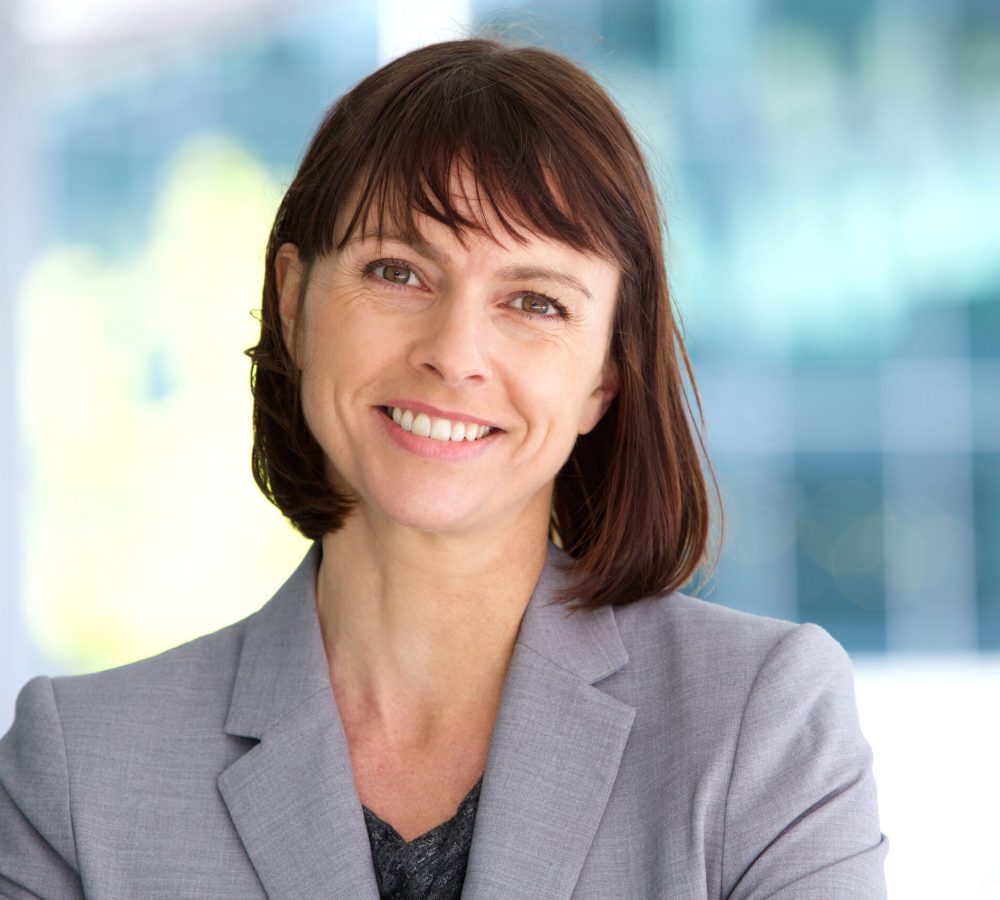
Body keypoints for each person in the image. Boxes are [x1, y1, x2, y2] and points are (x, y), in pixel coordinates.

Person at [0, 38, 887, 899]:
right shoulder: (80, 772)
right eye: (398, 271)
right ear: (294, 303)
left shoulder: (758, 724)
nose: (454, 353)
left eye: (534, 301)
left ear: (604, 377)